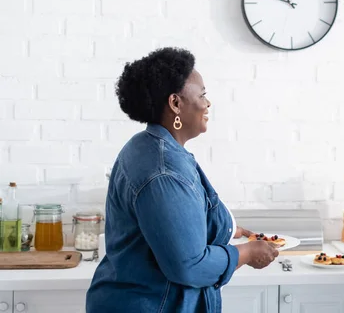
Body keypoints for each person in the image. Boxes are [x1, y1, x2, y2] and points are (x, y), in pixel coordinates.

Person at [86, 47, 279, 313]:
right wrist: (245, 253)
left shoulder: (147, 145)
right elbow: (189, 266)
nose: (208, 104)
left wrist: (227, 228)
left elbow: (169, 222)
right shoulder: (164, 172)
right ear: (176, 104)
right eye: (202, 95)